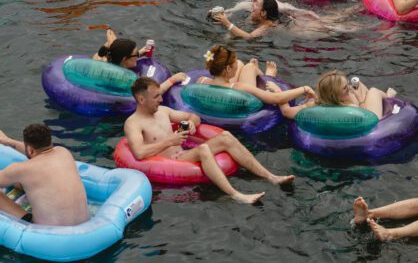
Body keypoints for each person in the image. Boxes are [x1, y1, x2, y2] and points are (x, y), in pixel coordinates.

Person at [124, 77, 295, 204]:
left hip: (182, 153)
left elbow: (193, 116)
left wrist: (190, 123)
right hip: (168, 161)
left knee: (226, 137)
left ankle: (271, 177)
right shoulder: (133, 123)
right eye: (156, 97)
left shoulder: (163, 111)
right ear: (141, 99)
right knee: (203, 149)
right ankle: (237, 195)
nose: (160, 99)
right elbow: (139, 153)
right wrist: (169, 141)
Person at [0, 124, 89, 226]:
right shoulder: (64, 152)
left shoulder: (20, 169)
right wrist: (8, 142)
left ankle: (26, 219)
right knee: (22, 181)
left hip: (47, 231)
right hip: (84, 224)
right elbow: (37, 153)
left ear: (29, 149)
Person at [198, 45, 314, 107]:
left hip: (221, 89)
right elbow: (276, 99)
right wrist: (304, 88)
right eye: (234, 65)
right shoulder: (240, 87)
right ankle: (268, 77)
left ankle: (254, 70)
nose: (236, 67)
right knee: (250, 67)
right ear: (228, 68)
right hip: (240, 101)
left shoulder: (201, 81)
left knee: (242, 64)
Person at [279, 70, 396, 120]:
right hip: (373, 119)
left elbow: (286, 112)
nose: (349, 88)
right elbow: (367, 117)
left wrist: (278, 92)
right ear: (334, 94)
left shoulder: (313, 105)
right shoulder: (351, 109)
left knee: (358, 86)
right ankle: (389, 98)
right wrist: (361, 100)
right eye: (345, 88)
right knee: (373, 91)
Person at [93, 37, 187, 92]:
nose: (137, 56)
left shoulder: (107, 62)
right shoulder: (123, 79)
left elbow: (98, 55)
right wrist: (172, 80)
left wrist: (140, 53)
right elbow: (149, 94)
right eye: (135, 54)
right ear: (124, 59)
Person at [212, 0, 282, 39]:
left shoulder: (266, 27)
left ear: (263, 13)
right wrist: (216, 15)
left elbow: (249, 36)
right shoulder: (255, 18)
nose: (253, 5)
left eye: (256, 4)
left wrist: (228, 24)